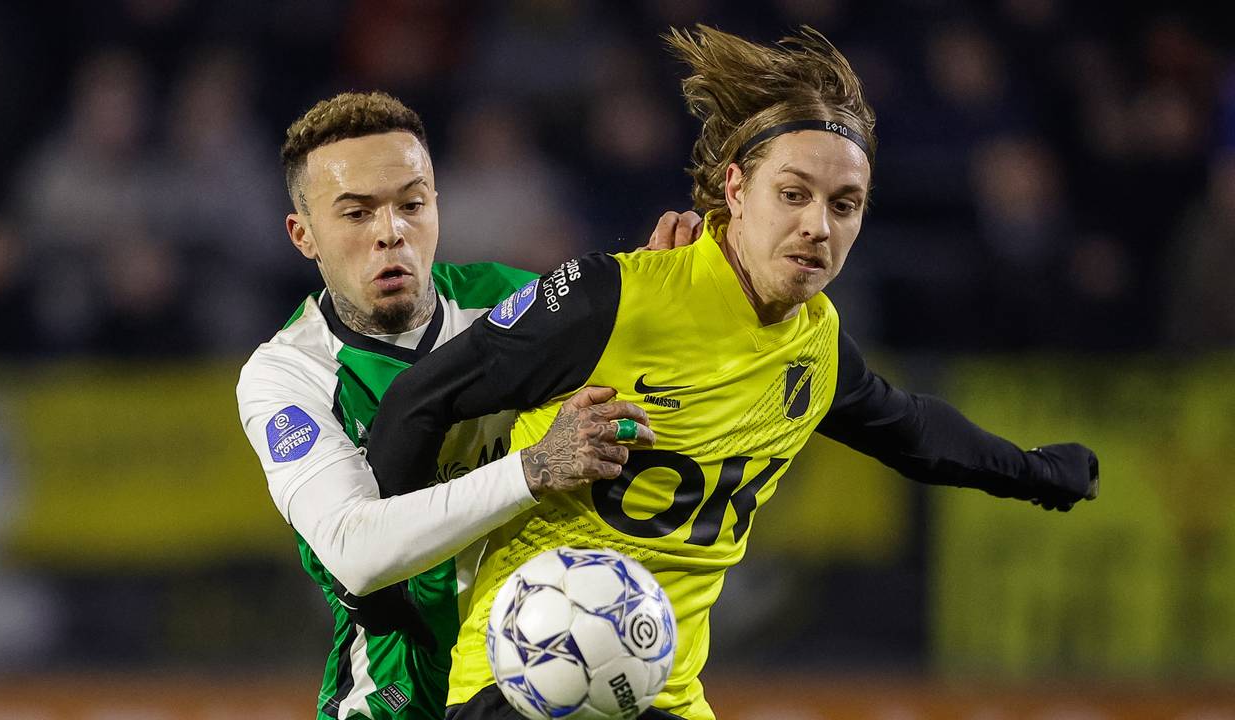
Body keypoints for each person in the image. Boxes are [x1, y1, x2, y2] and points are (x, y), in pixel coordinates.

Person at [367, 25, 1100, 720]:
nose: (819, 224)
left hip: (658, 690)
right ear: (735, 189)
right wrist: (395, 604)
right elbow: (414, 403)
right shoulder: (613, 299)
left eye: (845, 205)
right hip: (526, 683)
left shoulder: (816, 345)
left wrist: (1030, 471)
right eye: (794, 194)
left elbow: (909, 428)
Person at [236, 91, 700, 720]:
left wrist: (669, 290)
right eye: (355, 214)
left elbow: (648, 372)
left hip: (536, 670)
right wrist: (533, 467)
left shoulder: (511, 302)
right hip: (398, 685)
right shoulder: (286, 375)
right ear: (304, 235)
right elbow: (356, 551)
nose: (390, 233)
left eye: (411, 204)